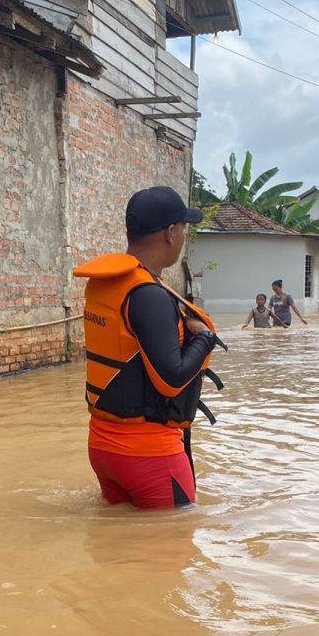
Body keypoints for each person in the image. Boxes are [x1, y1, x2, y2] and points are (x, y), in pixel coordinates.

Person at [73, 186, 223, 509]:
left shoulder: (104, 283)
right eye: (183, 228)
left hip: (102, 448)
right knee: (170, 550)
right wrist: (204, 339)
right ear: (170, 233)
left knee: (118, 553)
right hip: (150, 457)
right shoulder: (149, 295)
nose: (183, 236)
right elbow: (170, 380)